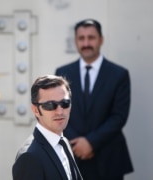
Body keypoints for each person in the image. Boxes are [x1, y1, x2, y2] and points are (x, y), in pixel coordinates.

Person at [55, 19, 134, 180]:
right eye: (81, 38)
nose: (86, 43)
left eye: (91, 38)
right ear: (76, 41)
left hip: (109, 158)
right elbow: (59, 111)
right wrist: (77, 144)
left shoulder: (119, 74)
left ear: (101, 40)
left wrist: (90, 142)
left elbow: (119, 116)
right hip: (72, 155)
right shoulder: (62, 73)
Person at [12, 75, 83, 180]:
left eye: (65, 103)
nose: (60, 111)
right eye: (50, 105)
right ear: (35, 110)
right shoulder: (29, 157)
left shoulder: (64, 143)